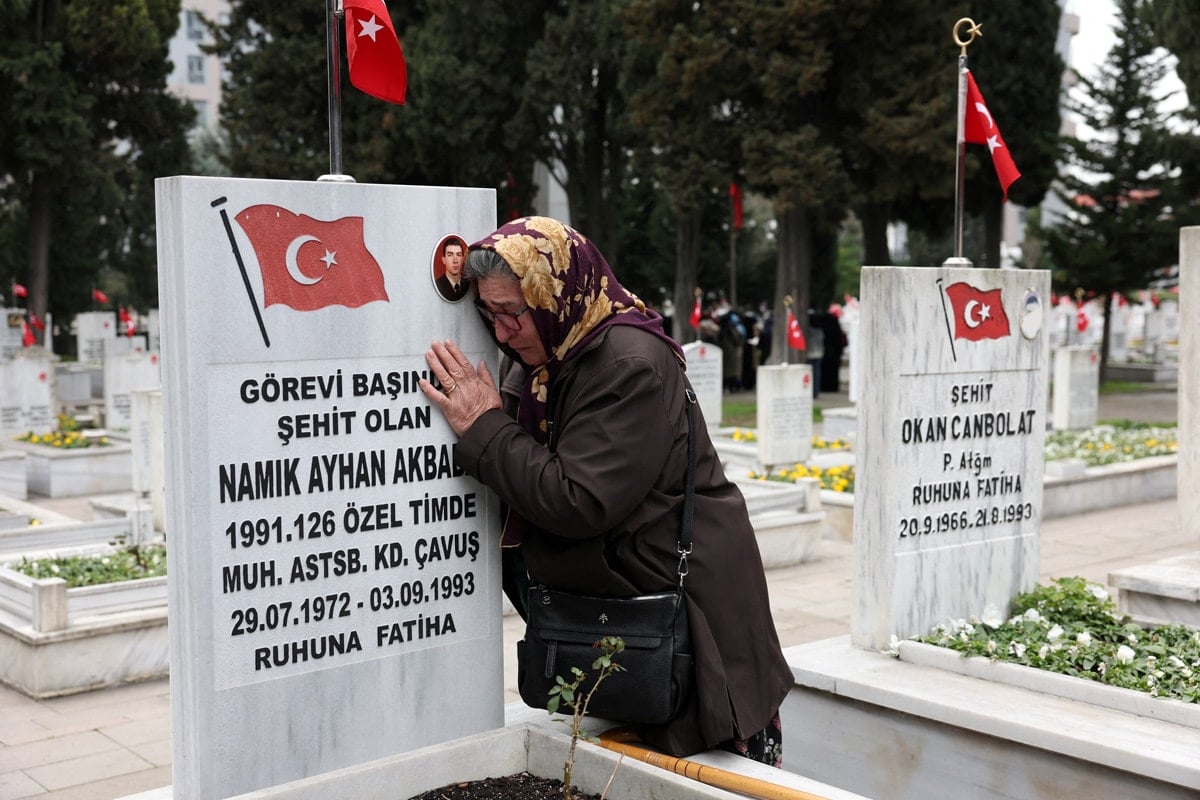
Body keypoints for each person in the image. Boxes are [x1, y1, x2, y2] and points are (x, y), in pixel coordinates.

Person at [419, 216, 791, 765]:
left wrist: (485, 426)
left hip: (689, 613)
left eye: (512, 313)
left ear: (557, 293)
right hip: (630, 600)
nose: (499, 333)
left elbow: (579, 500)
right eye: (487, 313)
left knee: (707, 766)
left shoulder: (628, 363)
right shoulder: (551, 353)